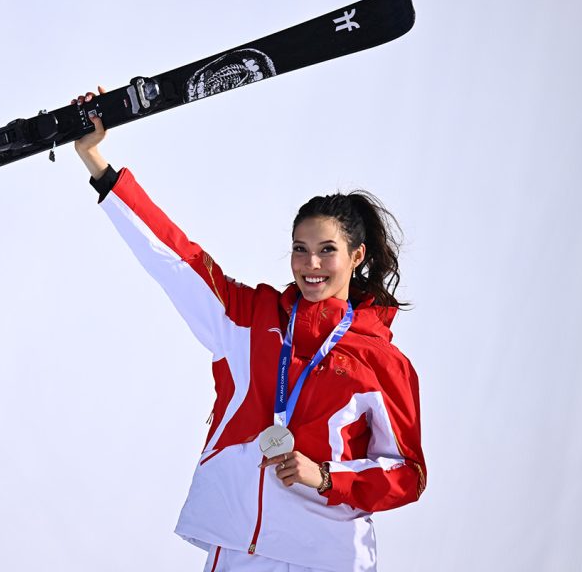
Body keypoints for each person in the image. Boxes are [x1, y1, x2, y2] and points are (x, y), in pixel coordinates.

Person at [71, 88, 426, 572]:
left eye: (327, 250)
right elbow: (178, 258)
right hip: (240, 548)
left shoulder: (381, 362)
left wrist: (326, 476)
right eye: (300, 249)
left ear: (356, 256)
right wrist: (98, 164)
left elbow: (408, 474)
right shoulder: (248, 318)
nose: (311, 264)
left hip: (328, 556)